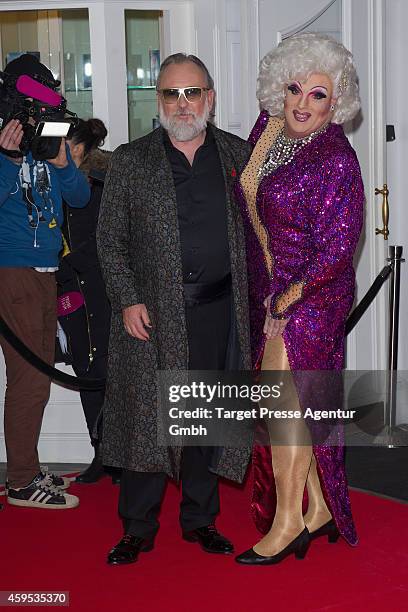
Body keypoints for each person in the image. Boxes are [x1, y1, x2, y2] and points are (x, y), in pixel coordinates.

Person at [97, 53, 252, 565]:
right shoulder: (131, 159)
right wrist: (127, 298)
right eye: (170, 93)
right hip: (153, 317)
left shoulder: (237, 155)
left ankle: (200, 519)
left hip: (219, 310)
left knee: (205, 423)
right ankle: (137, 528)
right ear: (157, 100)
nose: (181, 103)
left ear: (209, 96)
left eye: (191, 92)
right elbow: (110, 239)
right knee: (149, 423)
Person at [234, 33, 364, 564]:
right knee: (292, 403)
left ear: (337, 102)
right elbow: (249, 191)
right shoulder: (269, 131)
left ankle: (289, 520)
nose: (303, 103)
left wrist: (289, 298)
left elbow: (338, 247)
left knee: (285, 404)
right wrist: (268, 291)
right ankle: (319, 509)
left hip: (315, 292)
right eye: (295, 89)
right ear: (278, 88)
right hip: (273, 285)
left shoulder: (337, 159)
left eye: (318, 94)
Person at [0, 54, 90, 509]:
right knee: (29, 379)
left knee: (35, 376)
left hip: (45, 271)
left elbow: (79, 196)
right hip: (13, 271)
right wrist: (6, 158)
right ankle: (19, 482)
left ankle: (26, 471)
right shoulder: (2, 147)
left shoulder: (48, 142)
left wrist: (61, 163)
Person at [56, 118, 117, 484]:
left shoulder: (103, 181)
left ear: (78, 148)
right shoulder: (55, 181)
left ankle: (122, 455)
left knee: (112, 372)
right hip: (69, 289)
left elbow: (108, 241)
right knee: (84, 368)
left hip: (103, 287)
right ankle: (100, 451)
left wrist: (63, 261)